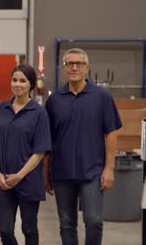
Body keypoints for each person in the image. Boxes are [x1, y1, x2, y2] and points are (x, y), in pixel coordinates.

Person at [44, 48, 122, 245]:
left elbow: (111, 132)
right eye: (69, 64)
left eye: (79, 63)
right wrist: (46, 172)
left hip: (93, 172)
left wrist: (109, 168)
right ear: (63, 68)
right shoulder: (54, 100)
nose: (74, 67)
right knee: (66, 224)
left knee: (94, 221)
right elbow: (47, 139)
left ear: (87, 68)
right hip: (62, 172)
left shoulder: (101, 97)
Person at [0, 64, 51, 245]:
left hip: (29, 181)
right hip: (4, 181)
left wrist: (19, 176)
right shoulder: (2, 109)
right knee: (5, 230)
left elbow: (40, 151)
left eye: (23, 81)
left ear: (31, 84)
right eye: (14, 80)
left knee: (29, 228)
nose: (17, 84)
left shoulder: (39, 113)